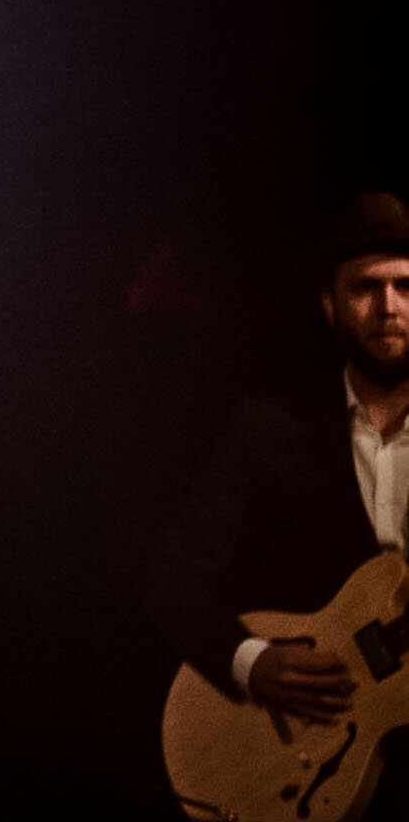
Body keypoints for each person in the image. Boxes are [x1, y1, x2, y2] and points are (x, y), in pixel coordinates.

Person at [153, 192, 409, 808]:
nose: (388, 307)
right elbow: (172, 585)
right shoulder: (267, 427)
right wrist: (251, 663)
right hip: (306, 758)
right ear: (329, 305)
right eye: (364, 289)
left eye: (405, 285)